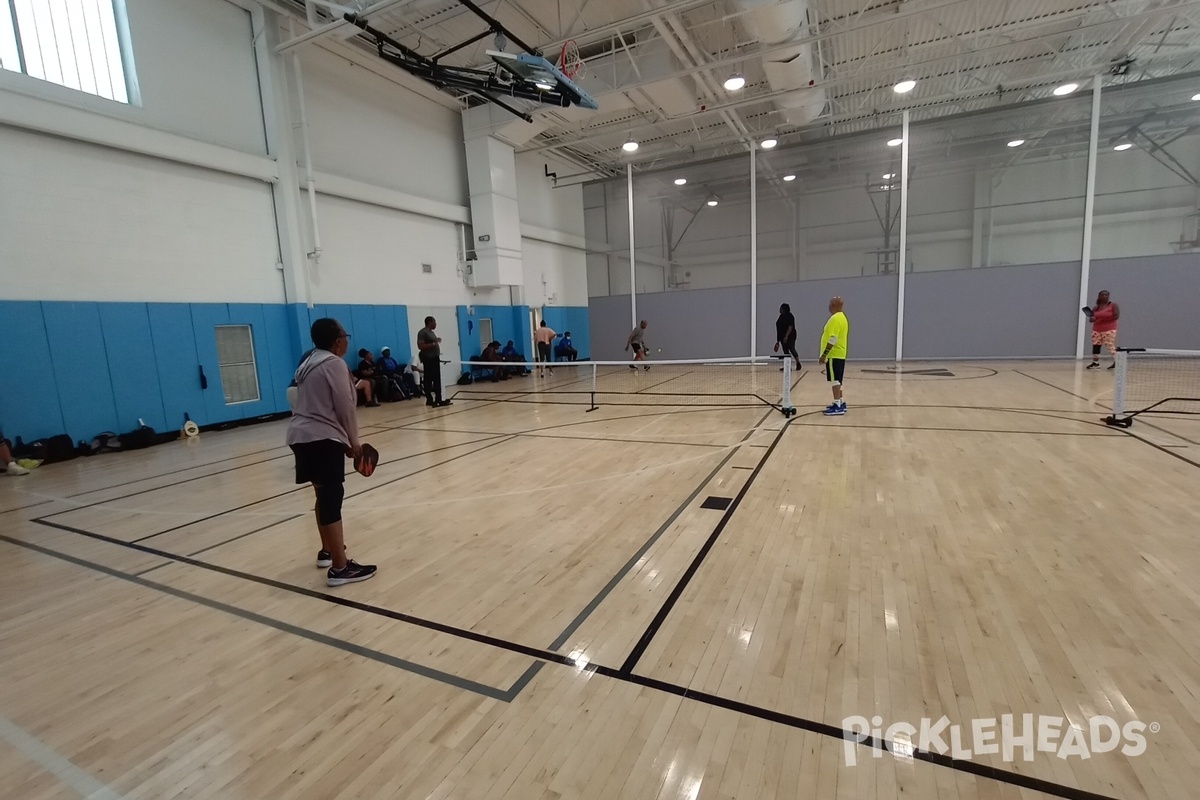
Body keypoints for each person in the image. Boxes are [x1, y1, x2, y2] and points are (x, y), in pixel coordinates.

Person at [286, 318, 377, 587]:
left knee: (322, 494)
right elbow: (345, 406)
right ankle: (340, 567)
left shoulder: (309, 361)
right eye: (345, 335)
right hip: (321, 437)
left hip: (300, 435)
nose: (347, 339)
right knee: (331, 496)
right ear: (338, 341)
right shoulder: (334, 364)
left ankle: (328, 551)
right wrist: (354, 443)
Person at [819, 296, 849, 416]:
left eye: (831, 303)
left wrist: (824, 354)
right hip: (840, 353)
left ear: (834, 305)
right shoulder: (843, 318)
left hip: (834, 354)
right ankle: (840, 402)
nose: (829, 306)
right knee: (838, 379)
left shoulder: (835, 319)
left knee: (835, 380)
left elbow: (832, 338)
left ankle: (837, 406)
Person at [417, 316, 450, 407]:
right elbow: (421, 346)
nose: (436, 324)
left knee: (437, 379)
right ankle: (429, 399)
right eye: (434, 322)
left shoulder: (431, 333)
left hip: (435, 358)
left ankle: (439, 399)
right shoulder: (423, 332)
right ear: (429, 322)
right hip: (428, 359)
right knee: (429, 379)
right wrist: (434, 343)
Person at [1088, 290, 1120, 370]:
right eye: (1102, 295)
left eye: (1106, 295)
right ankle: (1095, 363)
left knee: (1109, 345)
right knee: (1096, 345)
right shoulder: (1096, 307)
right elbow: (1091, 318)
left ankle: (1118, 362)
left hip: (1109, 329)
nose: (1104, 296)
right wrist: (1092, 319)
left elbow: (1116, 316)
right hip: (1096, 329)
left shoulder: (1113, 305)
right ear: (1099, 296)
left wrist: (1101, 320)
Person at [773, 303, 801, 371]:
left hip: (791, 336)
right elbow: (779, 328)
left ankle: (798, 363)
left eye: (781, 308)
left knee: (792, 348)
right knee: (785, 351)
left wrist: (786, 336)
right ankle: (788, 366)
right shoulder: (781, 316)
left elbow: (790, 327)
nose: (780, 309)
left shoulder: (790, 316)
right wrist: (778, 341)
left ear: (784, 309)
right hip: (782, 337)